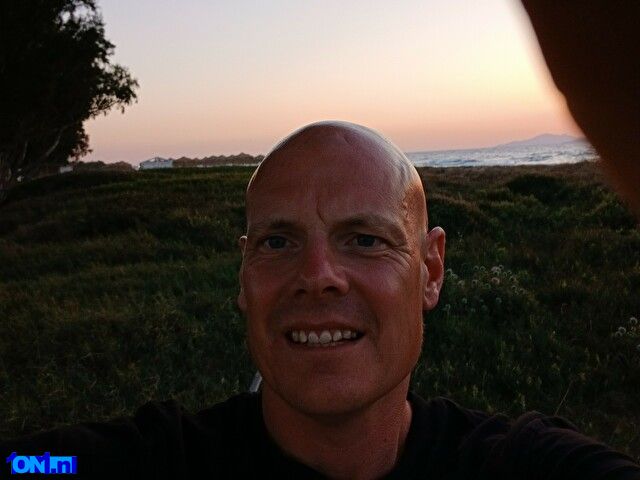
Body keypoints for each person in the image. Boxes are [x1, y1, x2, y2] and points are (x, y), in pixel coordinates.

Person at [1, 121, 639, 479]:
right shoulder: (152, 464)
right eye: (277, 243)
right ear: (243, 277)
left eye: (365, 240)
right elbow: (30, 465)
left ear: (430, 271)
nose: (317, 276)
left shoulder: (524, 471)